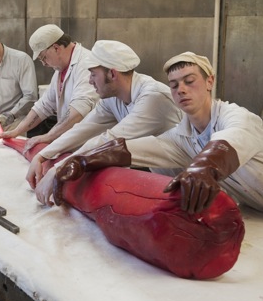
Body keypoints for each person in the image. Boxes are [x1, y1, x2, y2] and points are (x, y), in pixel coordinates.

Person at [44, 51, 263, 234]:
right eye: (174, 85)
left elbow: (225, 145)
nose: (181, 89)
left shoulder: (237, 118)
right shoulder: (182, 138)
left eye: (190, 80)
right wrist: (79, 162)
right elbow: (133, 148)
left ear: (210, 81)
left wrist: (204, 168)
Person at [25, 40, 183, 191]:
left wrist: (58, 170)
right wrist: (43, 154)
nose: (90, 80)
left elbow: (110, 140)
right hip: (168, 181)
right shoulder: (113, 97)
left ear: (112, 74)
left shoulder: (153, 98)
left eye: (93, 74)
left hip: (192, 185)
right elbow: (83, 129)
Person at [0, 24, 98, 147]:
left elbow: (78, 111)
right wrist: (16, 131)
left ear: (56, 48)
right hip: (72, 142)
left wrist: (49, 136)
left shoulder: (86, 64)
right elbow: (43, 106)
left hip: (90, 144)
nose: (44, 64)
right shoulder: (60, 70)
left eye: (43, 58)